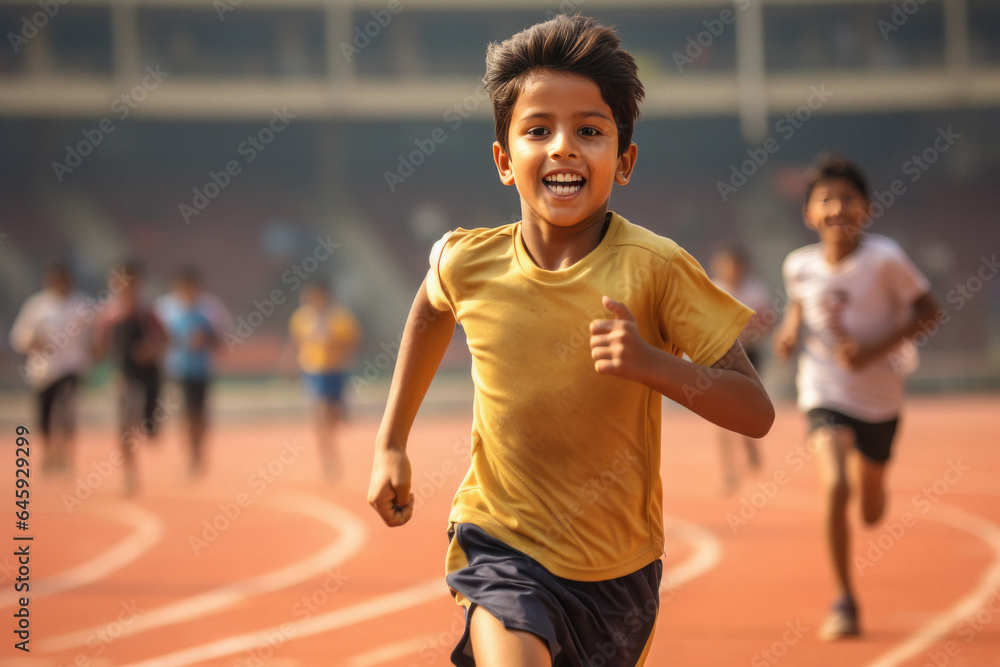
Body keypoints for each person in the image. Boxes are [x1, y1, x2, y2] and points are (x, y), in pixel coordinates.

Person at [367, 15, 774, 667]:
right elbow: (428, 311)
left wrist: (652, 364)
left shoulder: (656, 269)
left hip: (619, 570)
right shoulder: (468, 262)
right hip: (500, 539)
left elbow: (755, 411)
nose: (563, 147)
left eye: (590, 130)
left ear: (625, 158)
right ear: (505, 160)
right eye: (538, 130)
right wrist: (391, 443)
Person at [773, 154, 940, 640]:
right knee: (835, 486)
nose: (837, 208)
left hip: (880, 397)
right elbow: (800, 308)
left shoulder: (885, 259)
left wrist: (873, 350)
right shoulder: (798, 265)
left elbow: (929, 311)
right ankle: (845, 600)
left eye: (848, 198)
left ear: (867, 207)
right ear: (809, 213)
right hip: (823, 388)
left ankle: (877, 480)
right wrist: (788, 333)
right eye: (826, 200)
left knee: (869, 507)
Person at [9, 260, 92, 475]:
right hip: (43, 371)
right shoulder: (36, 306)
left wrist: (93, 354)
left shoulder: (81, 305)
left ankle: (65, 455)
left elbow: (94, 336)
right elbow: (19, 337)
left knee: (67, 413)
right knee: (44, 417)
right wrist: (34, 342)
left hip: (70, 368)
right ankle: (49, 453)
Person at [93, 260, 167, 495]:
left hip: (150, 374)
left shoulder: (148, 313)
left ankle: (148, 424)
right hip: (124, 375)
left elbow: (165, 340)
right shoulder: (109, 315)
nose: (127, 286)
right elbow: (100, 348)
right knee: (124, 425)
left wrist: (150, 350)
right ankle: (129, 473)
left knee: (150, 427)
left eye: (132, 281)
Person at [156, 265, 232, 478]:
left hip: (203, 369)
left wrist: (206, 339)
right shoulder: (165, 308)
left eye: (192, 286)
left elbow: (225, 338)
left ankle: (200, 451)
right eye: (183, 286)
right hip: (176, 369)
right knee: (185, 414)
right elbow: (156, 339)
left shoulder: (211, 307)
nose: (188, 291)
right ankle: (191, 456)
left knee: (201, 415)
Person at [709, 245, 774, 493]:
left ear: (744, 268)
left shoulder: (754, 289)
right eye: (727, 267)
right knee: (721, 414)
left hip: (750, 354)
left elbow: (767, 320)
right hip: (721, 354)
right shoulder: (714, 289)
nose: (732, 272)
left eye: (736, 267)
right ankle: (728, 471)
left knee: (750, 404)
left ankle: (750, 442)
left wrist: (754, 327)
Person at [288, 281, 362, 481]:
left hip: (336, 371)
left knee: (334, 416)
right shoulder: (301, 318)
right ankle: (329, 457)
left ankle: (337, 417)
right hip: (314, 371)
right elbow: (297, 343)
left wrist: (335, 344)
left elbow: (353, 341)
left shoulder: (340, 318)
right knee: (320, 414)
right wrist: (291, 365)